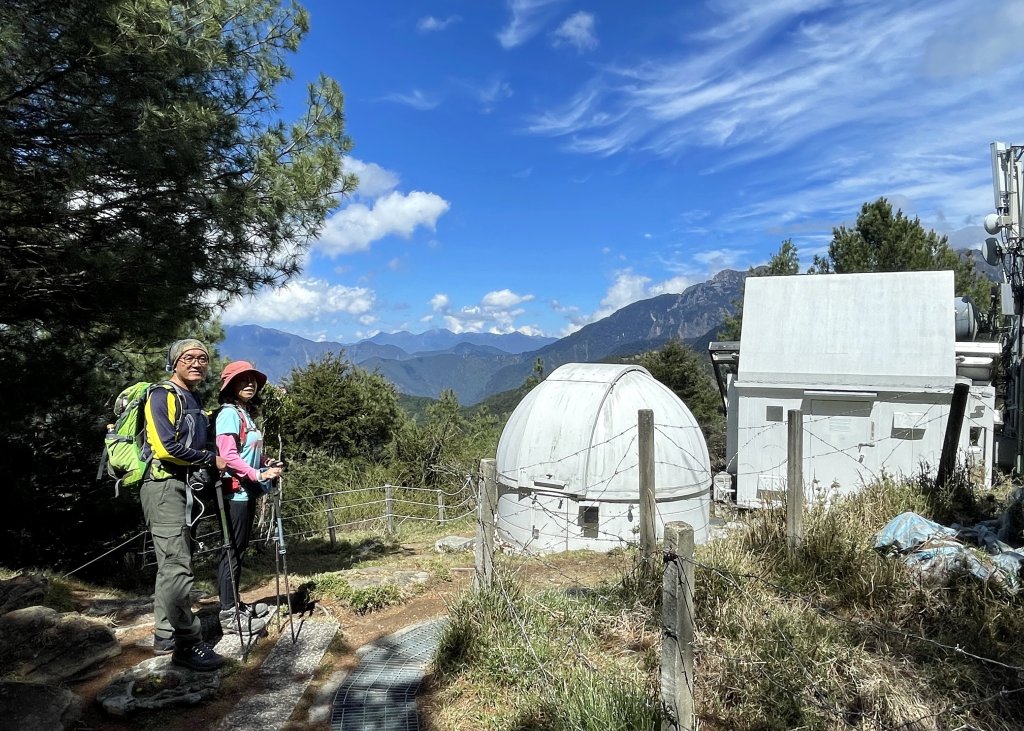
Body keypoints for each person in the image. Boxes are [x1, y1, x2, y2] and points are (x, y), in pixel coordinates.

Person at [140, 338, 227, 672]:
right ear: (174, 362)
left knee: (173, 561)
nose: (197, 363)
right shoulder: (162, 395)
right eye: (189, 357)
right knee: (178, 566)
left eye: (203, 358)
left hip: (182, 487)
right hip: (163, 486)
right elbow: (164, 448)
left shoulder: (192, 397)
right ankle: (188, 645)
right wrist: (210, 459)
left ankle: (165, 633)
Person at [214, 360, 282, 635]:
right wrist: (258, 474)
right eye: (243, 380)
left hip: (246, 489)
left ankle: (235, 604)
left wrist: (267, 461)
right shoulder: (229, 414)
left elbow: (246, 450)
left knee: (238, 549)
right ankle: (229, 615)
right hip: (235, 491)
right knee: (231, 550)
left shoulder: (244, 414)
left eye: (253, 380)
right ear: (230, 386)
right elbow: (228, 456)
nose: (250, 384)